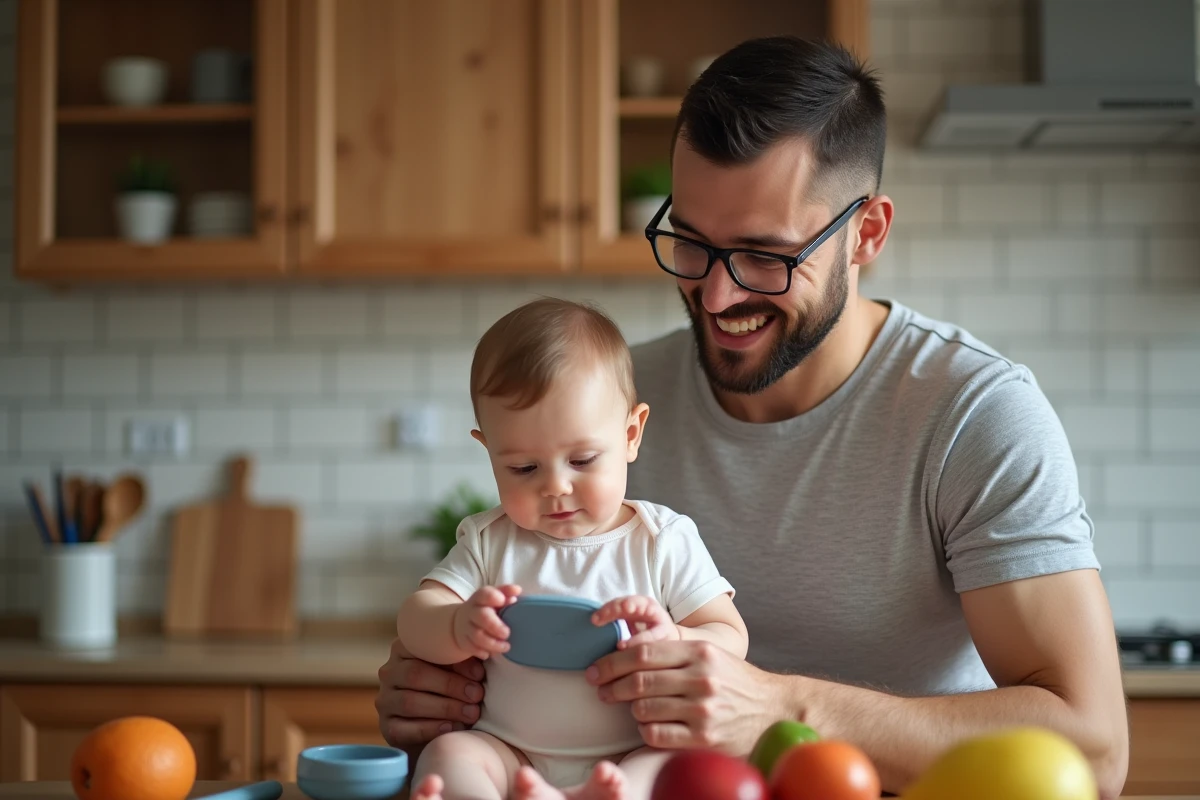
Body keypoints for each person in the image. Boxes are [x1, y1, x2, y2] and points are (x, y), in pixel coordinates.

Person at [377, 36, 1130, 799]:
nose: (715, 297)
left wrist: (780, 709)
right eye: (692, 245)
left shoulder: (974, 414)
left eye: (764, 256)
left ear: (865, 233)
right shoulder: (599, 416)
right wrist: (439, 688)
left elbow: (1095, 752)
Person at [396, 297, 749, 800]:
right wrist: (455, 624)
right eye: (523, 469)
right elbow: (415, 617)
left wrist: (672, 637)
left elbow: (731, 637)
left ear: (630, 434)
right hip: (508, 752)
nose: (556, 487)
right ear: (489, 451)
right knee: (449, 756)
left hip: (632, 749)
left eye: (582, 460)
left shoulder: (662, 538)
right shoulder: (488, 539)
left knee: (672, 762)